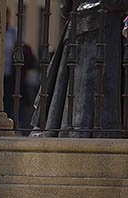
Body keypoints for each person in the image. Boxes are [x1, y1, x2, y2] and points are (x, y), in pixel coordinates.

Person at [31, 0, 128, 138]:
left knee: (74, 88)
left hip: (80, 24)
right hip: (107, 27)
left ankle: (72, 131)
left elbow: (65, 8)